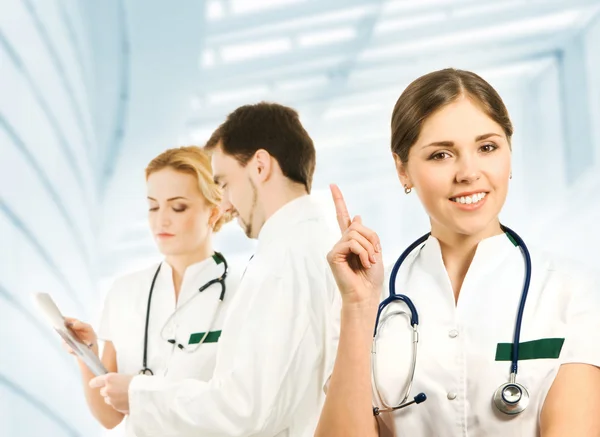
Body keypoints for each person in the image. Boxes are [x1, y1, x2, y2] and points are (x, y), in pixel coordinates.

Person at [316, 68, 600, 436]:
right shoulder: (364, 300)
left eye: (487, 147)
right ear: (403, 170)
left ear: (509, 154)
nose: (468, 172)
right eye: (441, 155)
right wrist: (357, 308)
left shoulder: (570, 292)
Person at [89, 102, 342, 437]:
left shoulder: (284, 264)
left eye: (224, 182)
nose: (224, 203)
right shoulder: (307, 245)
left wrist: (140, 394)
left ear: (261, 166)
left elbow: (245, 410)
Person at [64, 146, 235, 436]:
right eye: (153, 206)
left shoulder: (244, 293)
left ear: (213, 212)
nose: (161, 220)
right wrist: (86, 355)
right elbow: (110, 417)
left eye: (178, 207)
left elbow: (242, 406)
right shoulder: (124, 292)